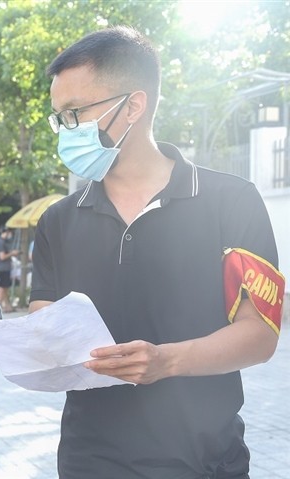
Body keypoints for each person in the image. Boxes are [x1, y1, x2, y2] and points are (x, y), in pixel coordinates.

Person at [31, 26, 284, 478]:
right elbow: (45, 319)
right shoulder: (58, 220)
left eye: (75, 113)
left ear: (133, 105)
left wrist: (165, 361)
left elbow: (260, 336)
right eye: (58, 117)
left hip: (206, 461)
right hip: (90, 462)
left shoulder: (232, 201)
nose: (65, 130)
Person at [0, 226, 19, 313]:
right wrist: (12, 253)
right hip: (3, 268)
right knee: (2, 287)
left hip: (5, 268)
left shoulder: (2, 241)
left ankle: (8, 307)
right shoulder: (1, 242)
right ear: (7, 232)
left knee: (5, 287)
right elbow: (2, 256)